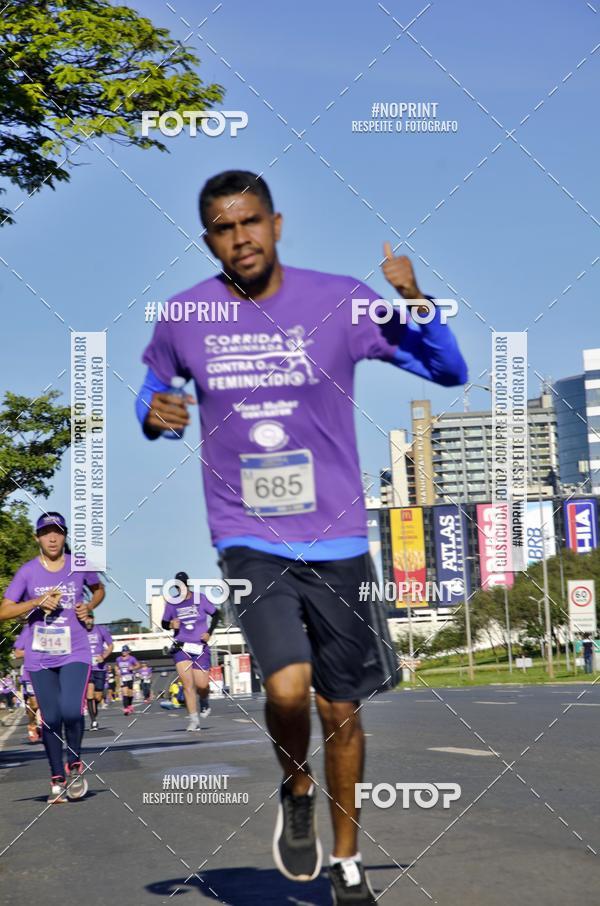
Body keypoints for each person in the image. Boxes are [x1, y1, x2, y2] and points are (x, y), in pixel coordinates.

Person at [136, 170, 467, 903]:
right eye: (224, 229)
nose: (240, 237)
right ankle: (295, 784)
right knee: (287, 687)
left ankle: (345, 858)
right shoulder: (186, 315)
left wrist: (415, 300)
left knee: (339, 710)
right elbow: (152, 386)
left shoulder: (340, 300)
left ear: (276, 224)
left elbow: (449, 369)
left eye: (250, 221)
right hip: (248, 535)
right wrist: (152, 412)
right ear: (209, 240)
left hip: (340, 539)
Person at [0, 511, 105, 803]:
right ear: (38, 538)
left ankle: (74, 763)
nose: (53, 537)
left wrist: (89, 606)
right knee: (52, 717)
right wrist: (35, 602)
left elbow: (98, 589)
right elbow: (4, 610)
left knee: (72, 711)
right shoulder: (28, 572)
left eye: (58, 532)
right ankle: (57, 777)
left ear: (65, 535)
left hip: (75, 650)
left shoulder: (78, 564)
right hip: (40, 656)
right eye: (47, 532)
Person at [161, 572, 220, 730]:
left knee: (202, 685)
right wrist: (171, 625)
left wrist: (210, 633)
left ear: (187, 585)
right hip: (182, 647)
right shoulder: (172, 603)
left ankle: (204, 701)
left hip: (200, 646)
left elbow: (216, 614)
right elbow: (164, 623)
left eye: (183, 585)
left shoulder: (200, 598)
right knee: (187, 684)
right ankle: (193, 720)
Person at [84, 613, 113, 729]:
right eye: (86, 618)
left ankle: (94, 713)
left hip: (100, 667)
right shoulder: (80, 630)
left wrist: (104, 656)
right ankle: (93, 721)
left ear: (93, 619)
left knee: (98, 697)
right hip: (87, 667)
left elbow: (110, 645)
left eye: (90, 618)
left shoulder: (101, 630)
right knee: (89, 693)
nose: (88, 620)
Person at [13, 624, 41, 743]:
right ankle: (32, 724)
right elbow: (17, 653)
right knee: (34, 704)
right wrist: (36, 651)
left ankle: (45, 727)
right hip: (31, 672)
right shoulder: (28, 628)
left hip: (50, 669)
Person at [115, 645, 140, 714]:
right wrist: (117, 671)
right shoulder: (118, 659)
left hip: (130, 676)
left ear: (128, 652)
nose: (124, 652)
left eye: (125, 651)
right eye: (123, 651)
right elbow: (116, 666)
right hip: (123, 677)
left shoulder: (132, 658)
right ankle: (125, 708)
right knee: (124, 692)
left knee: (130, 693)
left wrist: (133, 668)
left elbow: (138, 665)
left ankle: (129, 705)